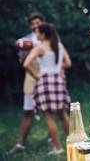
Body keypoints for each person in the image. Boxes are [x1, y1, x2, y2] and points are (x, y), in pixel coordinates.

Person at [23, 22, 72, 155]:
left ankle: (58, 148)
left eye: (37, 32)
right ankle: (73, 143)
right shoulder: (60, 46)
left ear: (43, 34)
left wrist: (36, 74)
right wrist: (58, 69)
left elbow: (26, 63)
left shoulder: (40, 48)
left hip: (45, 82)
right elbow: (68, 63)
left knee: (49, 116)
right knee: (63, 115)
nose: (36, 34)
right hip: (58, 81)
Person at [8, 12, 44, 154]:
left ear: (43, 23)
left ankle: (55, 143)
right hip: (32, 79)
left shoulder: (50, 39)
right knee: (28, 111)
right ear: (30, 26)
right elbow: (24, 62)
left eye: (38, 22)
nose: (36, 25)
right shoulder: (26, 41)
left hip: (48, 79)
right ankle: (20, 144)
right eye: (33, 23)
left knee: (53, 112)